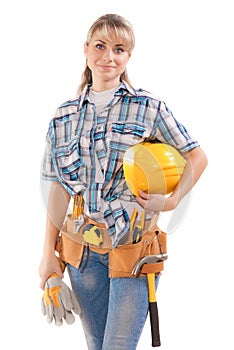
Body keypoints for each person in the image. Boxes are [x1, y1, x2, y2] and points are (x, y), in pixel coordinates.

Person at [39, 13, 208, 350]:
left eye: (119, 49)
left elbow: (197, 157)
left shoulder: (149, 108)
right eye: (100, 46)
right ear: (86, 50)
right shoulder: (63, 116)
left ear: (128, 56)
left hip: (134, 250)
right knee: (96, 345)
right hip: (82, 253)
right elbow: (56, 188)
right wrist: (48, 256)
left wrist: (171, 201)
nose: (109, 56)